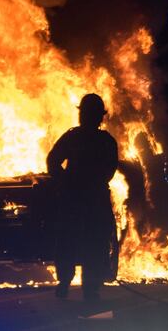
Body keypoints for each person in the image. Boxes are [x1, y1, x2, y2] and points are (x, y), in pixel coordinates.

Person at [47, 93, 118, 300]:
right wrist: (68, 181)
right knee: (86, 242)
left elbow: (53, 162)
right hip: (86, 199)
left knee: (81, 242)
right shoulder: (99, 140)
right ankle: (81, 286)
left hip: (81, 199)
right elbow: (53, 161)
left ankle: (73, 284)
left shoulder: (81, 138)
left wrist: (67, 181)